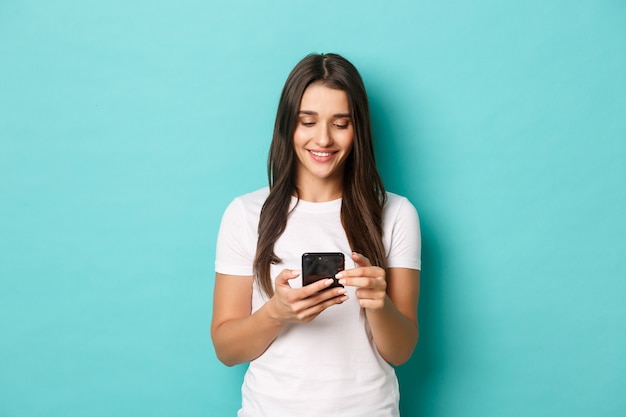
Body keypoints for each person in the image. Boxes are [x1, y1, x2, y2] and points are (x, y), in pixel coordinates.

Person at [211, 52, 421, 417]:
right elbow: (226, 350)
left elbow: (401, 351)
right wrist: (275, 313)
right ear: (287, 126)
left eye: (341, 124)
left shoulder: (396, 214)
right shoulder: (245, 214)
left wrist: (378, 303)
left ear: (359, 130)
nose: (323, 139)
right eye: (307, 122)